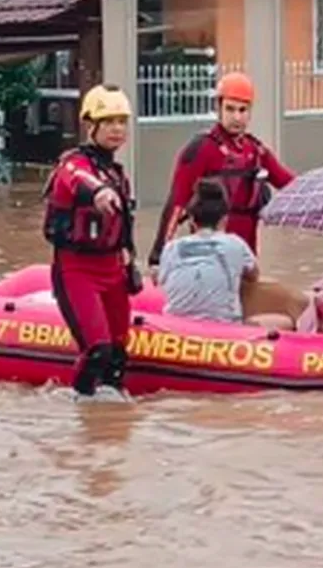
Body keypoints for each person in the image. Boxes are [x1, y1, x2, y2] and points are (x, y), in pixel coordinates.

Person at [43, 83, 142, 402]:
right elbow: (77, 179)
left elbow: (124, 230)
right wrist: (98, 192)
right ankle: (81, 404)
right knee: (97, 350)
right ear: (91, 126)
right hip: (76, 271)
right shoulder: (73, 163)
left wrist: (131, 267)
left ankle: (109, 430)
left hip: (112, 270)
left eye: (121, 121)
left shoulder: (117, 174)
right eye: (109, 121)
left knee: (117, 355)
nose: (117, 129)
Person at [147, 71, 296, 276]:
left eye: (243, 110)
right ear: (218, 108)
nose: (237, 117)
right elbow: (177, 204)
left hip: (245, 259)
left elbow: (291, 185)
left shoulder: (256, 151)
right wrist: (158, 257)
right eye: (230, 109)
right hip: (208, 258)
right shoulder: (202, 148)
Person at [158, 178, 294, 329]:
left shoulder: (171, 248)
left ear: (192, 221)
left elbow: (162, 282)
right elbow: (254, 276)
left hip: (174, 327)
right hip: (223, 328)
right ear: (224, 220)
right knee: (285, 322)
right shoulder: (236, 244)